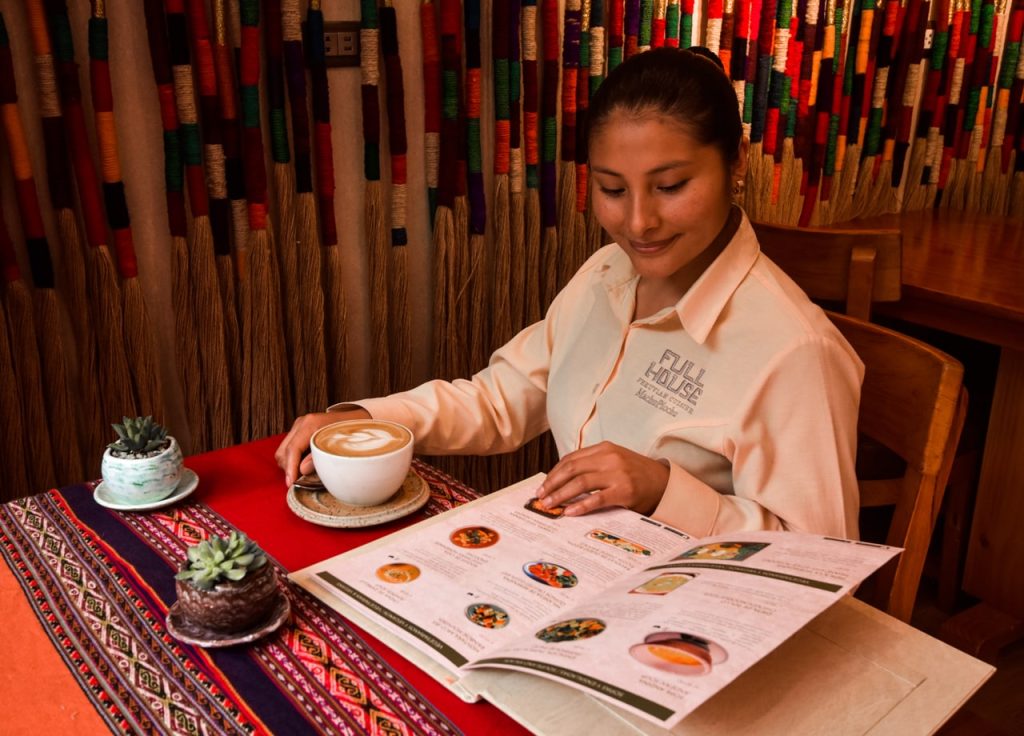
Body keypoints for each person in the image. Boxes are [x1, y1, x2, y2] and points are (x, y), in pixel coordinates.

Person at [276, 47, 863, 538]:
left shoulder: (794, 350)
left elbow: (825, 564)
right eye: (612, 189)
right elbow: (500, 402)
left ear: (736, 163)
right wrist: (366, 418)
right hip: (572, 570)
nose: (638, 223)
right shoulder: (607, 274)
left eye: (670, 185)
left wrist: (663, 490)